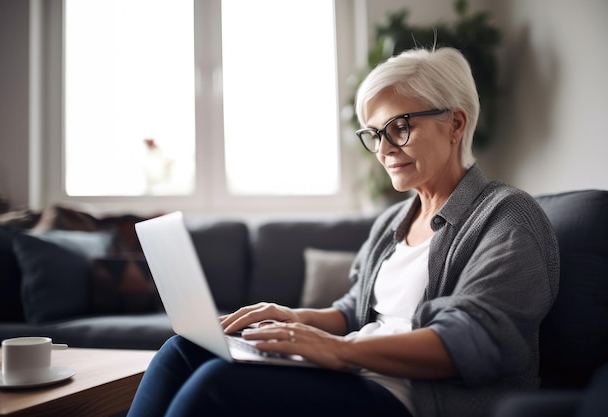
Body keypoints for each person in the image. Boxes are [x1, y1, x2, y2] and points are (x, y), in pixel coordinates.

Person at [126, 47, 559, 417]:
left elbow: (473, 342)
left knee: (218, 383)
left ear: (456, 124)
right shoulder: (394, 222)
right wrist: (293, 319)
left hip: (408, 398)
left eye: (400, 127)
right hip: (357, 372)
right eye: (375, 134)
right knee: (182, 351)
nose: (385, 148)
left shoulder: (506, 216)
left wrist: (338, 350)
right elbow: (355, 310)